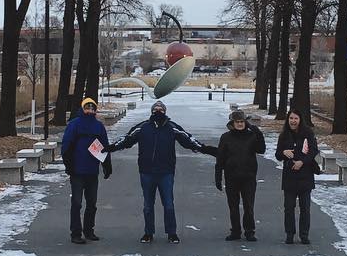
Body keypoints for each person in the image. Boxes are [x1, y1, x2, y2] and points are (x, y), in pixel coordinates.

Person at [110, 99, 216, 243]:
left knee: (168, 204)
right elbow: (127, 140)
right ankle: (148, 233)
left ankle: (172, 233)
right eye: (156, 109)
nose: (158, 111)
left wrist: (204, 149)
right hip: (146, 172)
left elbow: (188, 140)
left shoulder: (172, 127)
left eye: (161, 109)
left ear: (165, 112)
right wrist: (111, 148)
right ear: (152, 112)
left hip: (166, 172)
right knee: (148, 205)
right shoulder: (142, 127)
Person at [60, 97, 111, 246]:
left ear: (95, 110)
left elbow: (104, 146)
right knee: (76, 203)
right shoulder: (74, 125)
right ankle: (76, 233)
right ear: (82, 109)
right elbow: (66, 147)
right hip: (77, 171)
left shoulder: (98, 126)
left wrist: (107, 164)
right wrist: (69, 165)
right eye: (87, 108)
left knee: (92, 203)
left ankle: (89, 230)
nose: (90, 110)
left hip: (92, 171)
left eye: (92, 108)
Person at [214, 108, 266, 241]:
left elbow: (261, 149)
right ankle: (235, 231)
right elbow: (220, 158)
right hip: (231, 177)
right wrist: (218, 177)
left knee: (249, 205)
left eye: (242, 121)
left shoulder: (251, 136)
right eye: (237, 122)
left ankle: (250, 231)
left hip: (248, 177)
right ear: (232, 123)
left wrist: (254, 129)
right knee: (233, 206)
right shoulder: (226, 137)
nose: (240, 124)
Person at [275, 106, 319, 245]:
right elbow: (277, 155)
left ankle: (304, 235)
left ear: (300, 120)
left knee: (305, 208)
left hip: (305, 176)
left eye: (296, 118)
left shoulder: (308, 134)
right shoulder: (284, 135)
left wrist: (302, 161)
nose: (293, 121)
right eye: (291, 118)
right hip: (289, 177)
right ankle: (289, 234)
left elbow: (313, 151)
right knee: (289, 207)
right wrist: (283, 153)